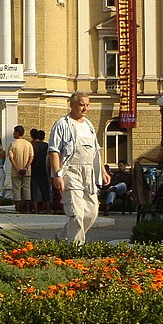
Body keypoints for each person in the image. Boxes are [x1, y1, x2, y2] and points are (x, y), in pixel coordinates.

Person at [48, 92, 110, 244]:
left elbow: (96, 150)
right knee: (76, 213)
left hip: (89, 173)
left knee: (91, 211)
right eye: (82, 105)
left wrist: (102, 170)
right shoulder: (62, 124)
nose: (85, 108)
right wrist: (58, 175)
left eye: (87, 105)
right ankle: (75, 248)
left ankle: (61, 238)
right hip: (70, 172)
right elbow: (54, 151)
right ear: (72, 105)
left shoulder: (89, 125)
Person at [6, 126, 34, 213]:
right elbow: (31, 157)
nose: (13, 133)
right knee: (27, 189)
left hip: (15, 172)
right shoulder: (28, 144)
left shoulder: (13, 144)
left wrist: (17, 168)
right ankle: (27, 209)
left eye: (14, 132)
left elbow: (11, 158)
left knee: (16, 190)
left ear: (18, 133)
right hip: (27, 171)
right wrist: (26, 167)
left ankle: (17, 209)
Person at [30, 129, 51, 214]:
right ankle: (48, 209)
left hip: (34, 169)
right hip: (43, 169)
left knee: (34, 189)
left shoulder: (32, 145)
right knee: (45, 190)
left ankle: (35, 209)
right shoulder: (46, 146)